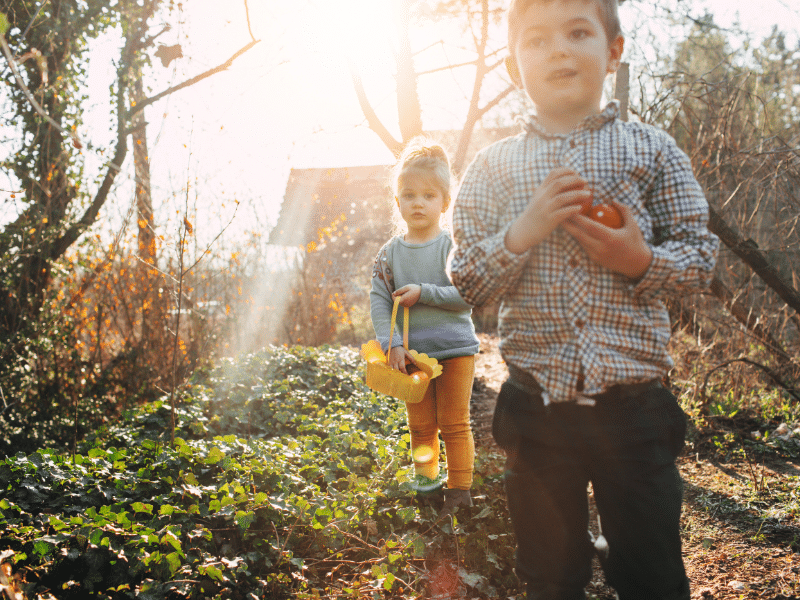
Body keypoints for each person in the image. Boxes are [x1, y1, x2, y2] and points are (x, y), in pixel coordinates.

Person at [449, 0, 719, 598]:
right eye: (538, 39)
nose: (559, 51)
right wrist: (522, 231)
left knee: (651, 575)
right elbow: (466, 277)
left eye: (578, 32)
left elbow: (702, 262)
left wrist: (638, 260)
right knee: (550, 576)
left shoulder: (652, 151)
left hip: (636, 412)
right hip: (536, 409)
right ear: (515, 60)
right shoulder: (494, 167)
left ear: (613, 50)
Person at [370, 138, 480, 515]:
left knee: (453, 423)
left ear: (444, 202)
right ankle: (427, 489)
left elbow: (469, 294)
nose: (418, 202)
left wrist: (425, 292)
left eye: (429, 195)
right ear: (397, 202)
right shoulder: (389, 254)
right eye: (409, 194)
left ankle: (460, 491)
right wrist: (393, 344)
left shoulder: (453, 246)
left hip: (455, 349)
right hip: (413, 355)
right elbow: (380, 300)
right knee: (420, 427)